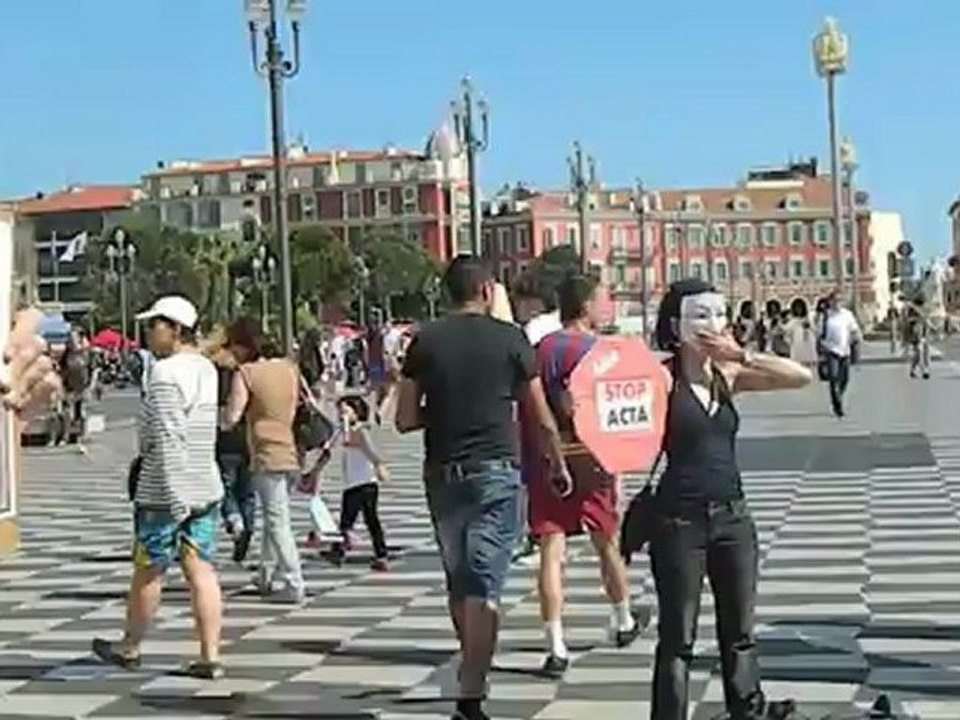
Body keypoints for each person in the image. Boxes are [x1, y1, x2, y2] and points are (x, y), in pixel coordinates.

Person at [395, 255, 571, 720]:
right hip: (496, 469)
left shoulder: (424, 341)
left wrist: (447, 409)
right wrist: (556, 462)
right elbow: (540, 414)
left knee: (461, 580)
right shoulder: (511, 339)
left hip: (443, 471)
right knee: (485, 584)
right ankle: (471, 692)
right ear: (489, 289)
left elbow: (404, 418)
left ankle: (470, 666)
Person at [649, 279, 811, 720]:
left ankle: (747, 708)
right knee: (678, 637)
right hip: (679, 521)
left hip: (733, 517)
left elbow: (802, 376)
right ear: (675, 325)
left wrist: (739, 354)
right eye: (700, 316)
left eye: (719, 314)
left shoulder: (729, 375)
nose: (712, 325)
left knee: (739, 630)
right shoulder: (661, 378)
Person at [92, 296, 225, 679]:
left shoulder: (165, 374)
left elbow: (168, 437)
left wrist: (173, 496)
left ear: (176, 329)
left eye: (154, 325)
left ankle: (130, 646)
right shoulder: (206, 368)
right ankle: (210, 655)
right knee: (201, 569)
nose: (148, 332)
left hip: (164, 489)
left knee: (148, 569)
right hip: (205, 481)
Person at [526, 274, 642, 678]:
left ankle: (555, 643)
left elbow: (526, 408)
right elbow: (613, 416)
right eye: (604, 298)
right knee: (607, 541)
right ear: (586, 306)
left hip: (548, 458)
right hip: (593, 459)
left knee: (551, 552)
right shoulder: (602, 352)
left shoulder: (539, 350)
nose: (608, 305)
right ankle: (623, 619)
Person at [222, 318, 306, 604]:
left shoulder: (246, 373)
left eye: (232, 346)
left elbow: (232, 416)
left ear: (243, 346)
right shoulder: (288, 368)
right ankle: (266, 573)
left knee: (277, 520)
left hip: (265, 451)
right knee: (275, 515)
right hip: (291, 449)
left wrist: (223, 420)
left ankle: (294, 581)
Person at [329, 394, 390, 571]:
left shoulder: (361, 430)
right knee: (347, 521)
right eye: (340, 412)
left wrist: (379, 465)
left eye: (345, 411)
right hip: (352, 483)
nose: (341, 415)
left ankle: (380, 554)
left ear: (357, 412)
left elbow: (365, 448)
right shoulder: (347, 430)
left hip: (365, 483)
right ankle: (339, 551)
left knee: (368, 520)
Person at [211, 343, 255, 563]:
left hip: (224, 439)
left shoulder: (214, 377)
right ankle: (247, 526)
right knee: (247, 491)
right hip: (249, 439)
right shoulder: (249, 373)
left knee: (224, 487)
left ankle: (234, 518)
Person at [818, 290, 862, 417]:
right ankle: (837, 405)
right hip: (831, 350)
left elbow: (854, 330)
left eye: (839, 301)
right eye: (834, 301)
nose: (837, 303)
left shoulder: (847, 315)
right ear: (830, 302)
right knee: (833, 377)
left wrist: (856, 340)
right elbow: (819, 335)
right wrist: (821, 351)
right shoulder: (825, 316)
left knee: (845, 379)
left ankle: (838, 395)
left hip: (845, 350)